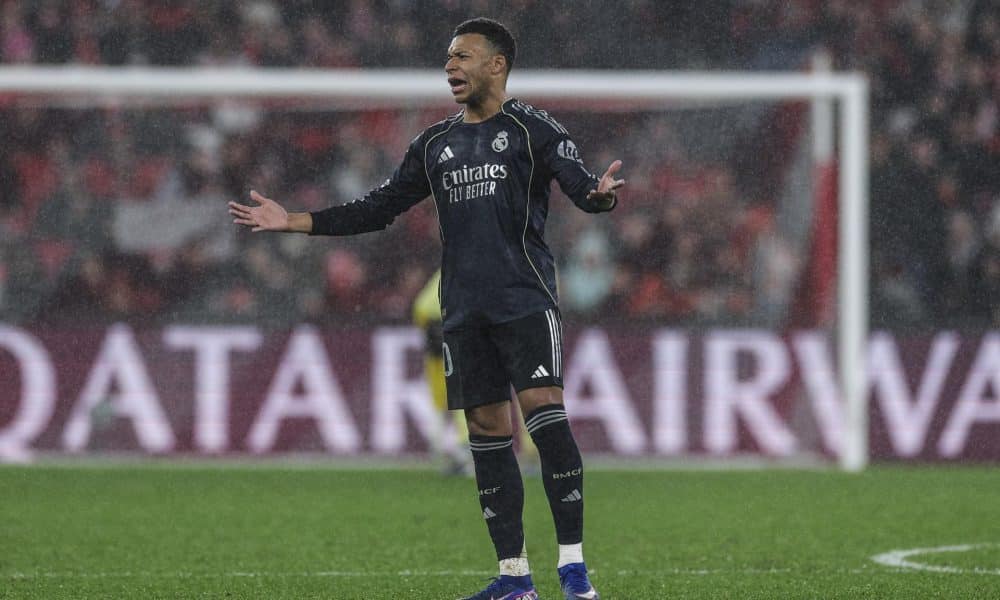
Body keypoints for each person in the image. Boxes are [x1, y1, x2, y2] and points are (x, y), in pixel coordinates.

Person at [229, 17, 622, 600]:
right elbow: (379, 207)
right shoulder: (435, 144)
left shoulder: (533, 128)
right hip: (461, 310)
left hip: (524, 299)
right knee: (487, 433)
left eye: (462, 56)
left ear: (497, 64)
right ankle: (515, 580)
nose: (450, 67)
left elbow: (580, 184)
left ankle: (574, 574)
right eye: (447, 59)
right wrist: (296, 220)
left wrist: (598, 196)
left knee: (544, 414)